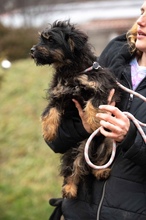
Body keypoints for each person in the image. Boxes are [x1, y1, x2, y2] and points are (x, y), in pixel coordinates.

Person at [47, 1, 146, 219]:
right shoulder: (113, 54)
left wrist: (129, 137)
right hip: (78, 212)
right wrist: (81, 126)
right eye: (142, 12)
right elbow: (55, 140)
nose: (141, 21)